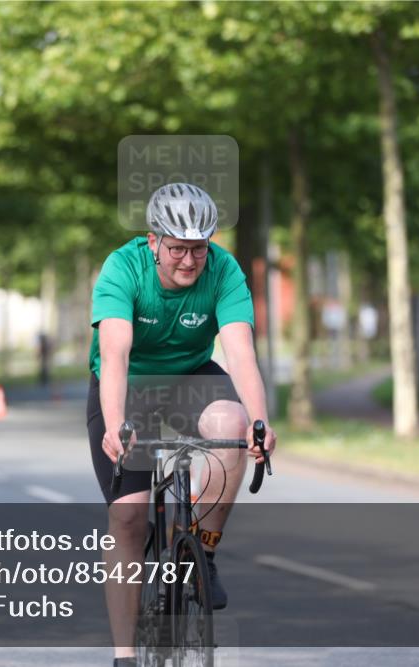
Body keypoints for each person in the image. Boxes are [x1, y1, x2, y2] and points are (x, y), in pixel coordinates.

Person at [86, 183, 277, 666]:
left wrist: (259, 422)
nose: (189, 261)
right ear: (153, 241)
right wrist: (115, 425)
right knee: (128, 517)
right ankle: (125, 656)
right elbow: (114, 356)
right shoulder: (122, 268)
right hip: (129, 384)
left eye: (199, 248)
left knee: (231, 424)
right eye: (177, 249)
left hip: (192, 376)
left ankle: (202, 557)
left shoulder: (224, 270)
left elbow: (240, 354)